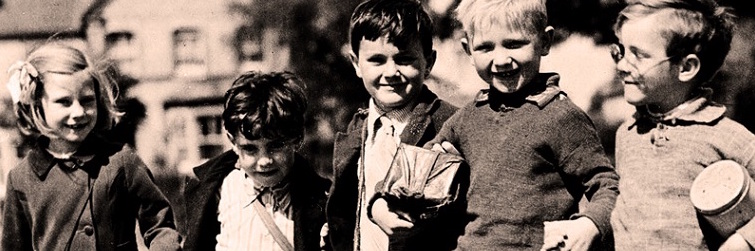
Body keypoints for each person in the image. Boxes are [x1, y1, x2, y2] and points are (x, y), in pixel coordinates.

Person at [425, 0, 621, 250]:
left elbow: (606, 184)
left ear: (545, 41)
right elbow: (426, 163)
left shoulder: (560, 116)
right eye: (485, 48)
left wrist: (590, 223)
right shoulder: (467, 118)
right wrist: (438, 164)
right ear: (469, 50)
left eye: (514, 44)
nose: (501, 60)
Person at [1, 43, 182, 250]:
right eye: (64, 102)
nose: (78, 112)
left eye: (87, 100)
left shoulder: (121, 160)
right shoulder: (21, 178)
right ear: (37, 104)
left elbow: (160, 226)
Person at [609, 0, 755, 250]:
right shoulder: (627, 133)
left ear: (686, 67)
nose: (622, 66)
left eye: (639, 56)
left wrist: (743, 241)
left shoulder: (728, 137)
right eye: (621, 52)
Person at [325, 0, 462, 250]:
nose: (391, 72)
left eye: (404, 59)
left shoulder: (452, 125)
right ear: (356, 63)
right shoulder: (357, 129)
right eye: (377, 60)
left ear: (428, 62)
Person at [181, 71, 329, 251]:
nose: (264, 160)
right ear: (233, 142)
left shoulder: (320, 200)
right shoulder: (218, 191)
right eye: (250, 149)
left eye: (276, 146)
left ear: (297, 138)